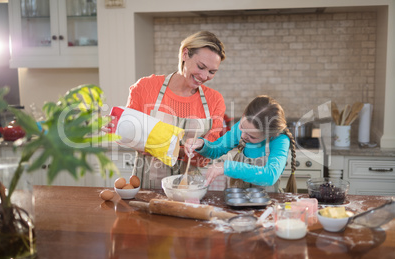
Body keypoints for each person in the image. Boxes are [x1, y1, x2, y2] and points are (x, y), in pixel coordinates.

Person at [108, 31, 226, 189]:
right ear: (185, 54)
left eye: (211, 72)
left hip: (190, 188)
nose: (204, 76)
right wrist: (118, 127)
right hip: (148, 186)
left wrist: (200, 148)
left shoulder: (214, 100)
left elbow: (210, 150)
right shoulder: (146, 87)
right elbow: (128, 132)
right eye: (201, 67)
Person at [184, 95, 297, 192]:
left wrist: (227, 167)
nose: (242, 136)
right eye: (242, 127)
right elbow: (217, 149)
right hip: (237, 200)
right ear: (243, 115)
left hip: (267, 203)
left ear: (270, 134)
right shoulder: (245, 128)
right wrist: (201, 144)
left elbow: (270, 176)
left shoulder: (280, 140)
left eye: (252, 136)